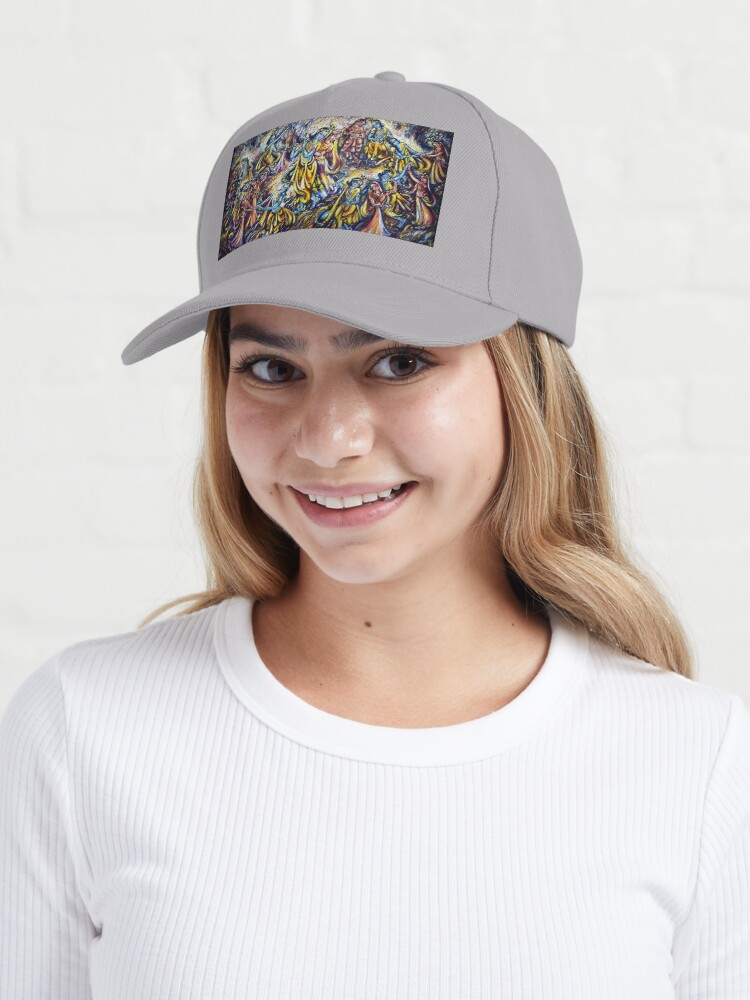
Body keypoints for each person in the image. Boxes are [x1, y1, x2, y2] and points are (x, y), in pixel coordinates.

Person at [1, 71, 748, 999]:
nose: (327, 440)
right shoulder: (84, 731)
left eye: (398, 361)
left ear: (524, 381)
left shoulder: (698, 761)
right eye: (270, 368)